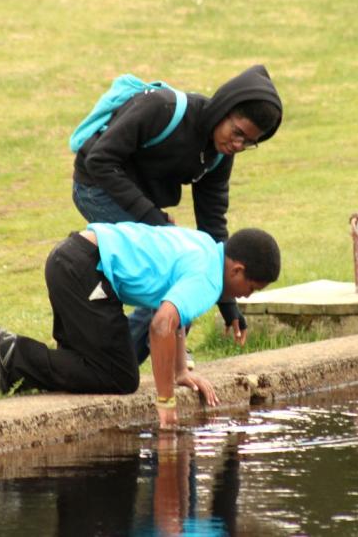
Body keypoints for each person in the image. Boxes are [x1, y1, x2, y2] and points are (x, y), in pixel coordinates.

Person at [0, 222, 280, 428]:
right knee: (120, 376)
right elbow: (161, 325)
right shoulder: (208, 279)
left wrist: (180, 372)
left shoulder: (207, 247)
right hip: (85, 270)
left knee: (83, 366)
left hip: (74, 259)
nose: (246, 298)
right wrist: (165, 402)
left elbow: (178, 322)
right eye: (251, 289)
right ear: (237, 271)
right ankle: (13, 354)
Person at [71, 65, 283, 366]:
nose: (238, 145)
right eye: (237, 133)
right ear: (223, 110)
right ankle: (112, 366)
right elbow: (100, 160)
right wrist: (154, 220)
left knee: (187, 283)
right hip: (96, 186)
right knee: (171, 285)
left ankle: (119, 362)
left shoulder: (220, 156)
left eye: (249, 142)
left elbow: (212, 229)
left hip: (139, 203)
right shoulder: (162, 108)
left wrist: (227, 300)